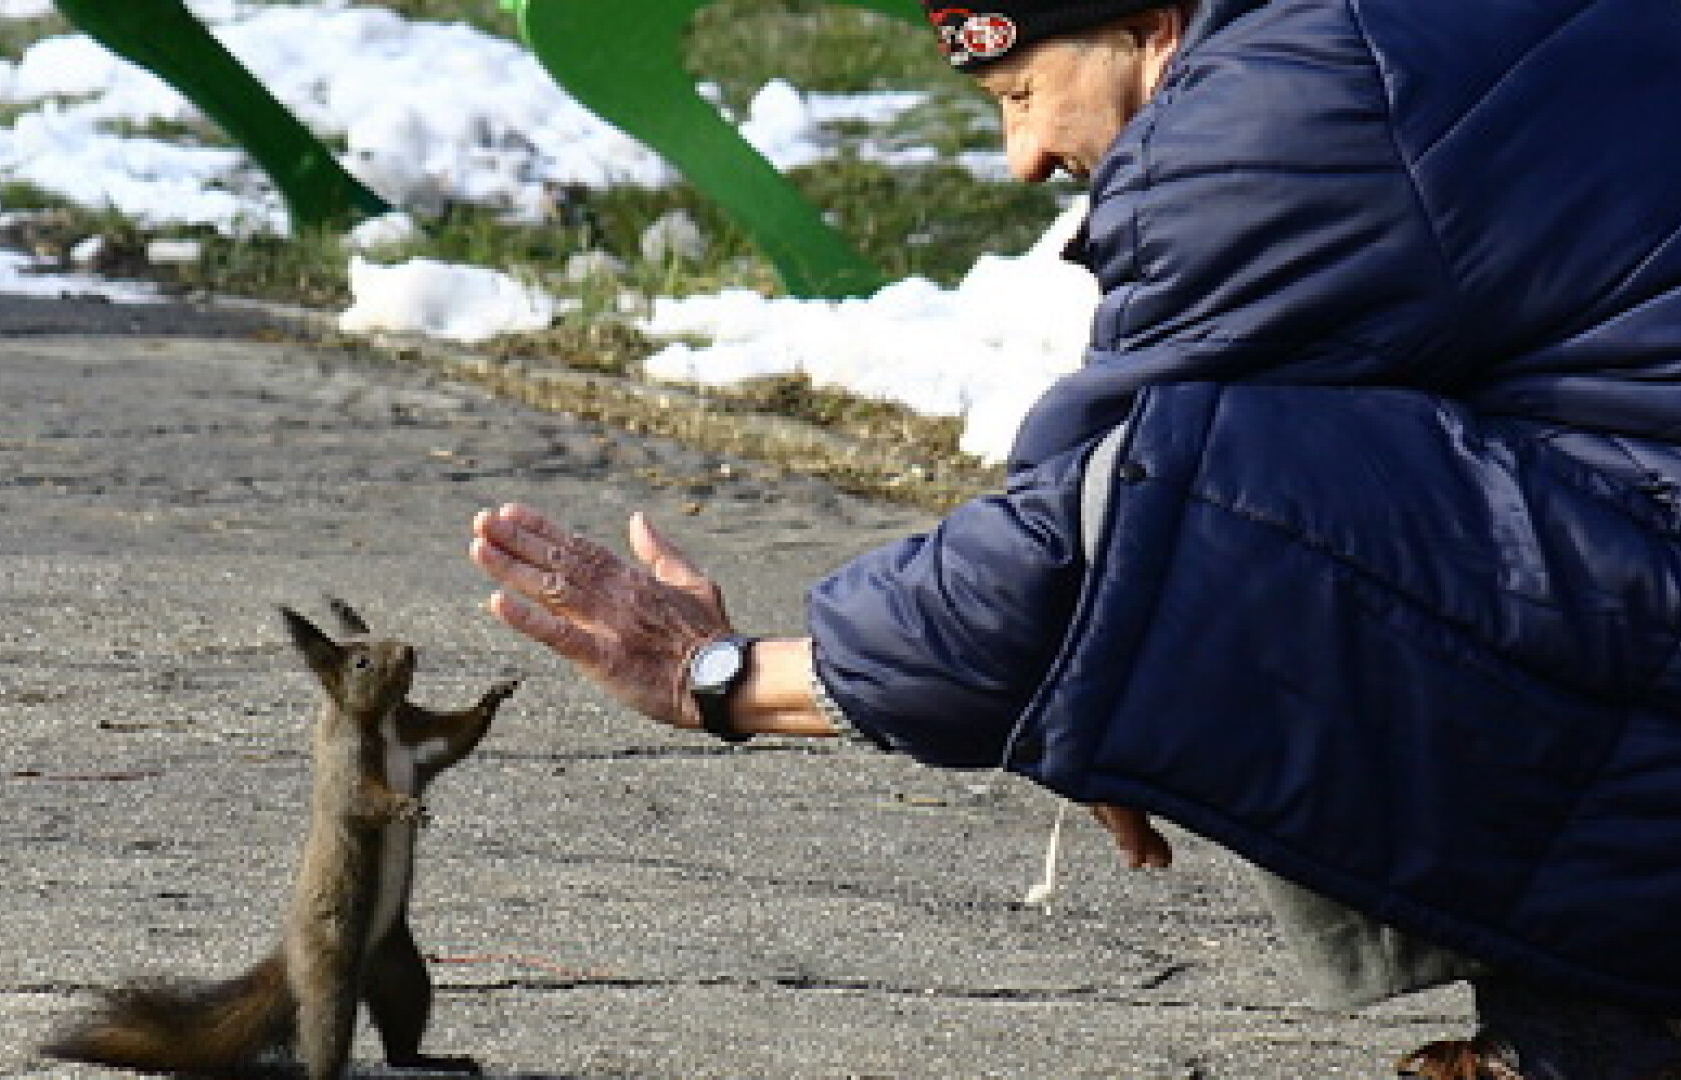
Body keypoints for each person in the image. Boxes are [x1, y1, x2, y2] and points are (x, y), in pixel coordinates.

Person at [469, 0, 1681, 1075]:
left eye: (1022, 95)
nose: (1022, 155)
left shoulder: (1278, 111)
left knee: (1197, 533)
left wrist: (719, 679)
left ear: (1151, 25)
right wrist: (1082, 670)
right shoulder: (1377, 37)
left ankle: (1606, 1029)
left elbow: (1088, 521)